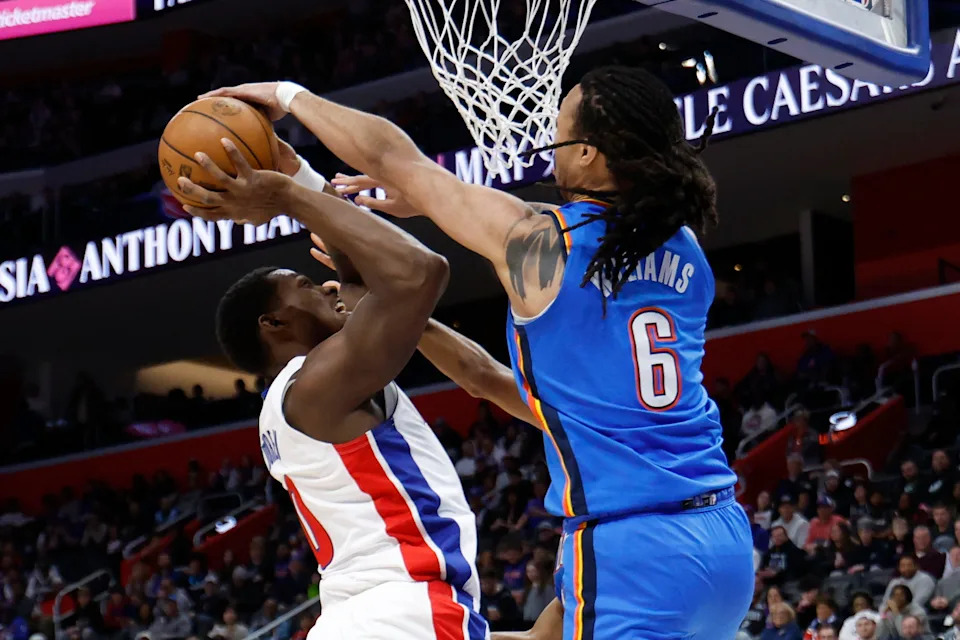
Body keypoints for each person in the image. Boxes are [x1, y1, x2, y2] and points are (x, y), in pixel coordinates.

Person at [201, 66, 754, 640]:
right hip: (724, 541)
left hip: (631, 546)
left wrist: (292, 100)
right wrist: (401, 293)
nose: (554, 145)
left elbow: (396, 160)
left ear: (588, 153)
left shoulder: (541, 244)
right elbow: (485, 377)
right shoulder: (686, 252)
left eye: (561, 133)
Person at [180, 142, 488, 640]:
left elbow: (357, 275)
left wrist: (298, 173)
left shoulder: (297, 396)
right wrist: (284, 194)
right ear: (275, 323)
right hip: (406, 607)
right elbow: (419, 271)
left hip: (356, 617)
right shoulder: (316, 383)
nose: (326, 287)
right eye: (307, 284)